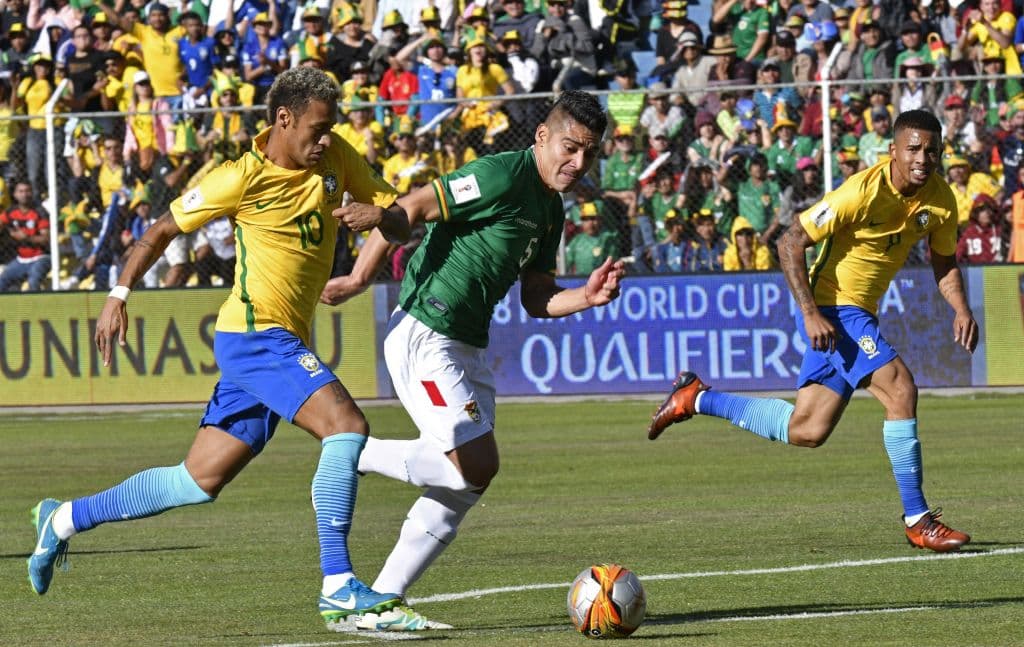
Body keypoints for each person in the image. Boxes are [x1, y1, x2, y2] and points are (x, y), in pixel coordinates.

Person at [26, 68, 418, 634]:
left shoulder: (337, 156)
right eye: (317, 128)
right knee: (346, 426)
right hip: (256, 337)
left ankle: (62, 519)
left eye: (331, 128)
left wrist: (380, 217)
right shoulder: (238, 177)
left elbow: (402, 221)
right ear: (283, 119)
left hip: (278, 343)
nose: (326, 139)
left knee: (197, 481)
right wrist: (118, 295)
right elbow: (160, 230)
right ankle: (338, 585)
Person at [320, 90, 624, 627]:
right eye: (570, 147)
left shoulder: (550, 209)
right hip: (426, 333)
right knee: (476, 464)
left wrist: (586, 296)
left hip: (467, 345)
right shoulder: (500, 175)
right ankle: (352, 453)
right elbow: (415, 207)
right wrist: (362, 271)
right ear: (542, 137)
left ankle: (382, 600)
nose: (578, 163)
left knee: (468, 483)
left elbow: (536, 297)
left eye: (589, 153)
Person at [647, 109, 977, 553]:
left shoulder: (941, 199)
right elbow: (789, 242)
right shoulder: (859, 192)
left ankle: (695, 397)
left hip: (857, 313)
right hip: (836, 308)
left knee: (807, 428)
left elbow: (944, 261)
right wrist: (810, 313)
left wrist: (960, 308)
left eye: (932, 151)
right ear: (893, 150)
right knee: (900, 388)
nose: (923, 158)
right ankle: (918, 520)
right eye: (913, 149)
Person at [0, 180, 50, 291]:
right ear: (15, 194)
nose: (24, 194)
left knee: (33, 281)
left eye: (27, 191)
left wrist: (26, 238)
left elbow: (46, 239)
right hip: (21, 259)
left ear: (32, 193)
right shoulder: (10, 211)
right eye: (21, 191)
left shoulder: (40, 212)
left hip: (41, 258)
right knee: (2, 281)